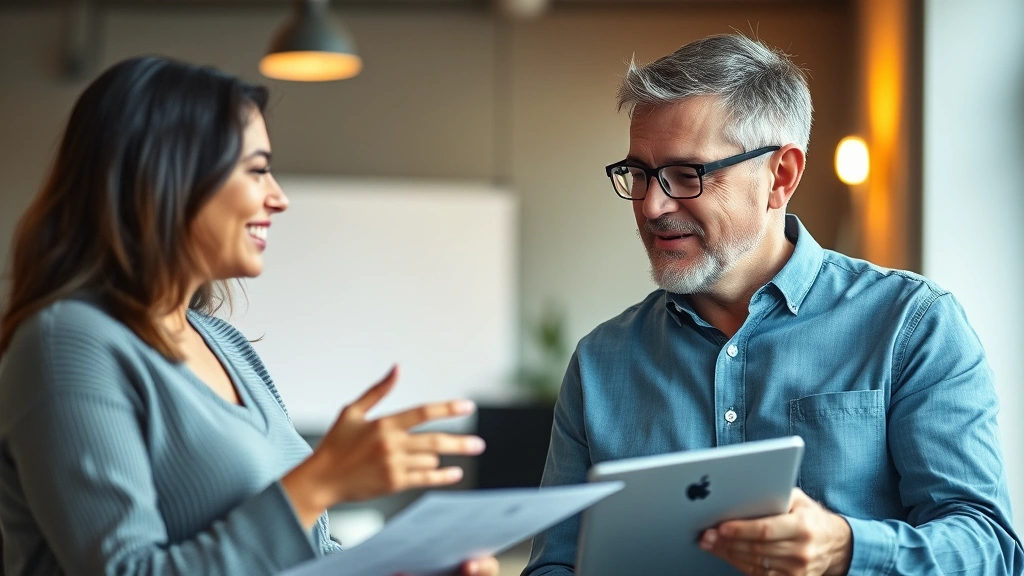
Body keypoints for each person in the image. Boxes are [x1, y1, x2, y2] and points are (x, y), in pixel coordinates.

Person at [523, 33, 1022, 576]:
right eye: (639, 173)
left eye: (686, 175)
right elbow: (555, 564)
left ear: (779, 176)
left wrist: (846, 549)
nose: (651, 204)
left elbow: (989, 549)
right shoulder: (600, 362)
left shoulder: (912, 325)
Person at [0, 56, 500, 576]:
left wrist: (411, 569)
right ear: (169, 174)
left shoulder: (223, 343)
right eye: (257, 170)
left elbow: (307, 557)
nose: (278, 198)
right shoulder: (68, 342)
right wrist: (320, 480)